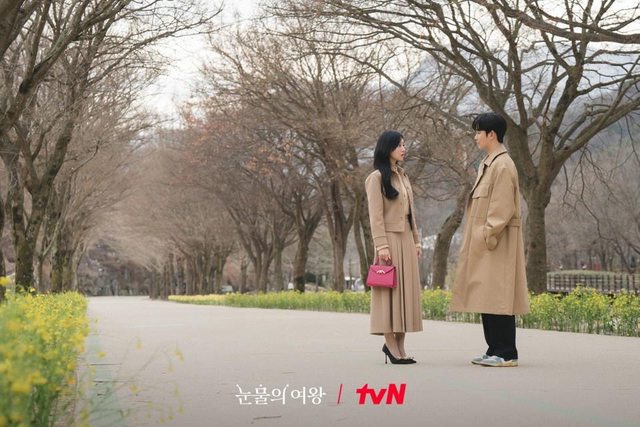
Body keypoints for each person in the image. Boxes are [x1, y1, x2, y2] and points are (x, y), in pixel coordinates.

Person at [449, 112, 530, 367]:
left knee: (498, 296)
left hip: (496, 243)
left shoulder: (503, 165)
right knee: (487, 295)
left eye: (478, 132)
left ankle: (506, 352)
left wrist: (488, 233)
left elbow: (502, 208)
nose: (475, 137)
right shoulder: (490, 163)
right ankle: (494, 348)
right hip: (486, 243)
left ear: (491, 134)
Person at [364, 130, 423, 365]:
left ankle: (401, 346)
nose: (403, 148)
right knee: (389, 294)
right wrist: (381, 245)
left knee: (406, 294)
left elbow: (411, 214)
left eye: (404, 144)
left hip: (406, 239)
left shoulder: (403, 176)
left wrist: (416, 240)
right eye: (399, 145)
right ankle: (390, 344)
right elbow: (375, 216)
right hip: (388, 240)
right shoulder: (376, 178)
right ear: (387, 148)